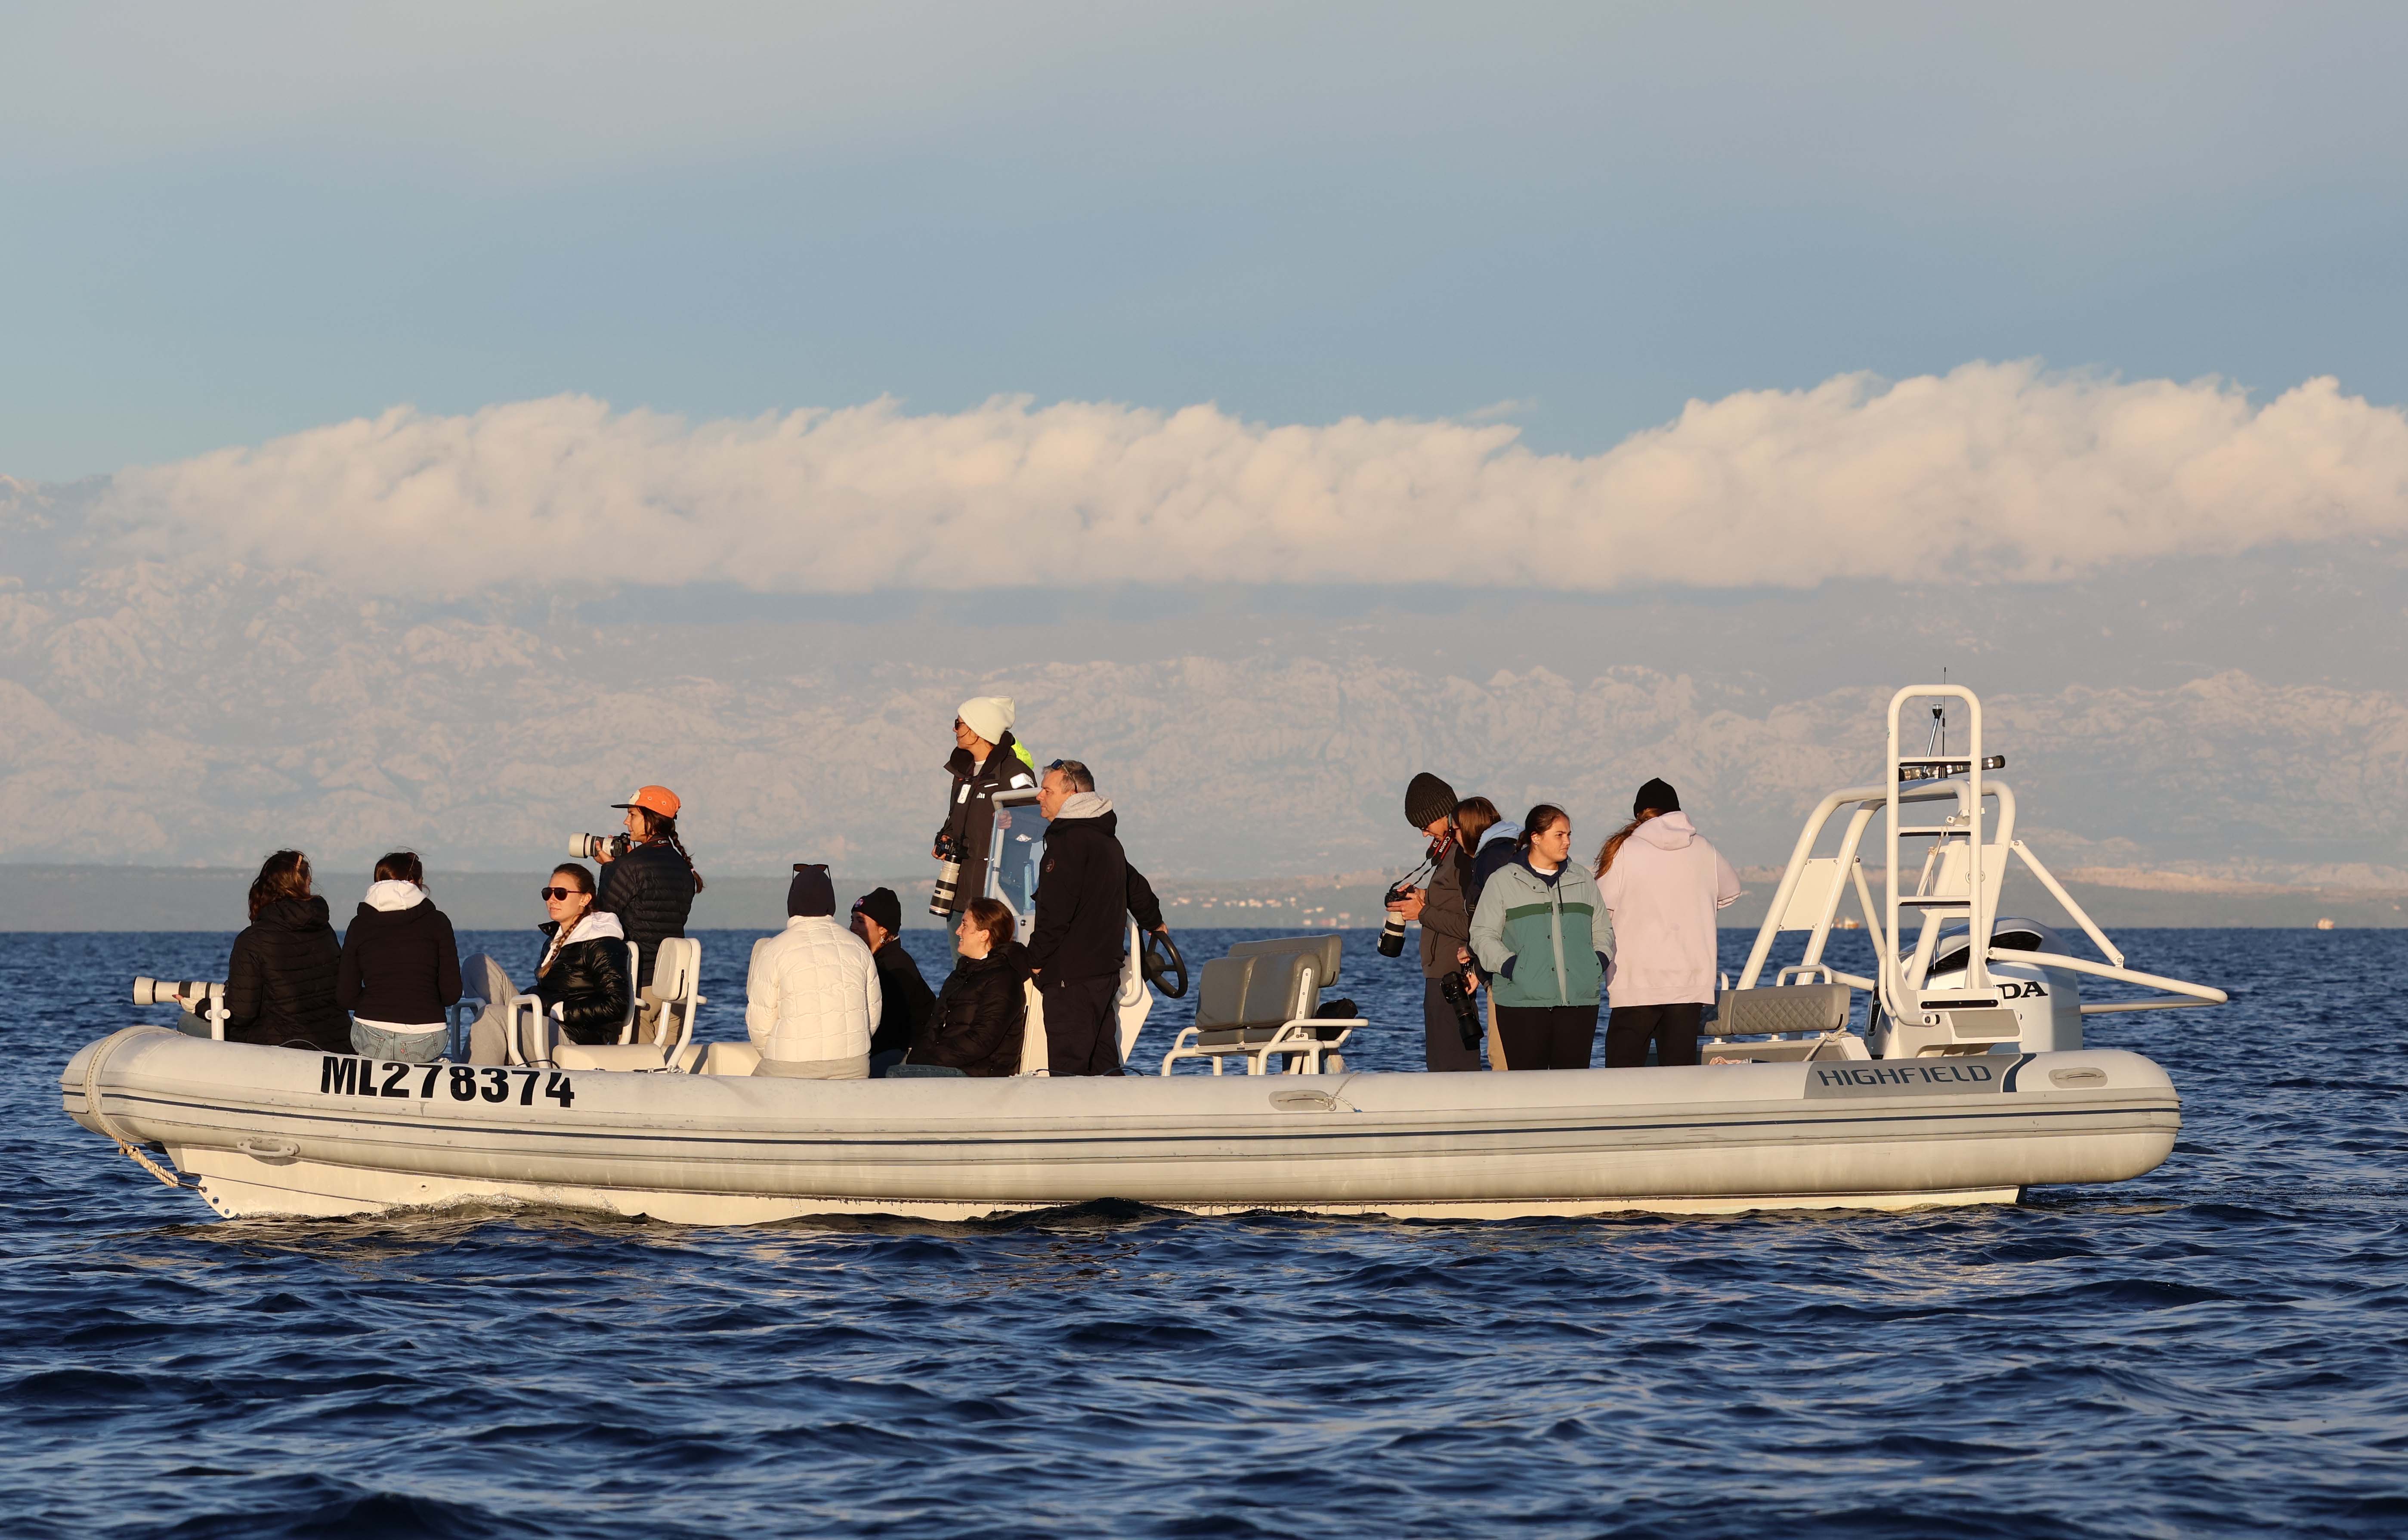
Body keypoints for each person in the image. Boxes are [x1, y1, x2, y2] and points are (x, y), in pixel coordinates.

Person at [1595, 778, 1743, 1069]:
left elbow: (1600, 907)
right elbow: (1731, 892)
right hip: (1688, 981)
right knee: (1679, 1075)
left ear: (1639, 813)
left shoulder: (1625, 850)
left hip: (1635, 980)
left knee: (1620, 1078)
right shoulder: (1703, 849)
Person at [1469, 804, 1612, 1072]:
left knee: (1571, 1090)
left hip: (1578, 1003)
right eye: (1559, 835)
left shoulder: (1582, 879)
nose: (1567, 841)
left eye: (1569, 834)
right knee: (1528, 1091)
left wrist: (1596, 963)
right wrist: (1512, 967)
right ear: (1536, 837)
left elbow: (1603, 930)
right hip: (1521, 1004)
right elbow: (1482, 934)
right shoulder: (1503, 881)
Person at [1023, 758, 1130, 1076]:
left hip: (1071, 975)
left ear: (1072, 796)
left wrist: (1036, 959)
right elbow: (1133, 881)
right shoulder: (1106, 840)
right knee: (1103, 1063)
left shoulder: (1067, 842)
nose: (1039, 797)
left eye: (1047, 791)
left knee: (1069, 1069)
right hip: (1103, 972)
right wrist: (1153, 920)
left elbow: (1055, 910)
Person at [745, 863, 880, 1079]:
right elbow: (872, 1016)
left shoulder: (774, 949)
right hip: (853, 1065)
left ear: (792, 903)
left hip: (790, 1065)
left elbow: (760, 1023)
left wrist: (775, 1053)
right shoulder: (859, 947)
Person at [1389, 772, 1483, 1072]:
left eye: (1424, 825)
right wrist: (1422, 896)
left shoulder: (1465, 855)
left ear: (1442, 814)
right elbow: (1455, 901)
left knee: (1453, 1067)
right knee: (1439, 1065)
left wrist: (1422, 913)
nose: (1423, 834)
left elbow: (1475, 923)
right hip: (1439, 973)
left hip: (1454, 976)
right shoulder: (1450, 854)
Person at [336, 850, 464, 1063]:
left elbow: (345, 996)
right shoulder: (438, 923)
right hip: (426, 1035)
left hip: (370, 1032)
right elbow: (451, 994)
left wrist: (376, 1000)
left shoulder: (359, 925)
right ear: (415, 883)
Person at [223, 850, 349, 1053]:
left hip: (283, 1047)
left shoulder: (252, 940)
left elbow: (241, 1014)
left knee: (191, 1024)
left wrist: (204, 1008)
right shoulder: (324, 929)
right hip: (337, 1046)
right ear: (306, 883)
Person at [593, 784, 703, 997]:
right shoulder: (683, 866)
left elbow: (604, 918)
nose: (626, 822)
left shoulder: (630, 866)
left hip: (639, 980)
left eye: (632, 815)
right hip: (676, 983)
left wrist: (610, 868)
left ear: (651, 819)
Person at [933, 696, 1038, 918]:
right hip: (959, 898)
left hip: (998, 901)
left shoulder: (1013, 773)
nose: (954, 729)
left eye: (959, 723)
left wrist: (1013, 821)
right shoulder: (964, 773)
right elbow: (956, 821)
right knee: (961, 954)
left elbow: (1038, 823)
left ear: (977, 730)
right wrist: (945, 837)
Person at [905, 897, 1030, 1078]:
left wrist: (930, 1061)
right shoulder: (961, 973)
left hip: (981, 1074)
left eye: (965, 926)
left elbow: (982, 1040)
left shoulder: (1004, 980)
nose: (958, 931)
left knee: (893, 1077)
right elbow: (934, 1025)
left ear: (984, 935)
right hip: (949, 1066)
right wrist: (918, 1059)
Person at [532, 863, 632, 1047]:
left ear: (584, 900)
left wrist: (557, 1010)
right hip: (544, 1021)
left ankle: (472, 1071)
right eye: (548, 893)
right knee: (477, 966)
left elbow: (617, 1005)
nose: (552, 900)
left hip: (573, 1035)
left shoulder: (600, 942)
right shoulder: (555, 939)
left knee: (495, 1017)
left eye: (560, 893)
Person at [851, 885, 934, 1076]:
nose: (853, 927)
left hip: (901, 1055)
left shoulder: (894, 966)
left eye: (860, 921)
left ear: (883, 929)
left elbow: (892, 1030)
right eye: (853, 920)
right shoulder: (879, 961)